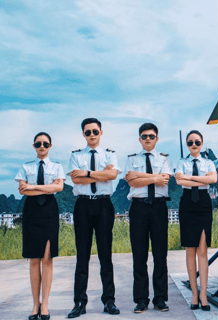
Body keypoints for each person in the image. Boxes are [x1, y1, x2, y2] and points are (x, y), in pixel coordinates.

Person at [67, 118, 121, 318]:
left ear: (101, 132)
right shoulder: (76, 155)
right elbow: (75, 179)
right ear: (83, 134)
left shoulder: (110, 154)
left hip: (104, 204)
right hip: (82, 204)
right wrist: (101, 173)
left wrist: (87, 173)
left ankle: (109, 301)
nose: (92, 135)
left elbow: (112, 175)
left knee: (105, 255)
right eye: (88, 132)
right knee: (82, 255)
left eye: (95, 131)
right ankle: (79, 302)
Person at [15, 132, 65, 320]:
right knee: (34, 259)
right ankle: (35, 304)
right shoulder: (25, 166)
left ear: (50, 146)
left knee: (47, 257)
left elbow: (58, 188)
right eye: (38, 144)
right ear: (34, 146)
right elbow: (22, 188)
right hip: (31, 212)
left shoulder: (57, 166)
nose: (41, 146)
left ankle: (46, 304)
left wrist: (33, 187)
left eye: (45, 143)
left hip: (50, 211)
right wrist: (47, 187)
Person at [124, 123, 172, 313]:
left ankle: (160, 299)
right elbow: (130, 180)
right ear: (139, 139)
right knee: (139, 255)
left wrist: (139, 176)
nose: (148, 139)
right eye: (144, 136)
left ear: (157, 138)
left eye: (151, 136)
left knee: (160, 255)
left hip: (159, 208)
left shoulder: (165, 158)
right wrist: (153, 177)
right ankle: (141, 299)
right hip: (138, 207)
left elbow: (164, 179)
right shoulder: (131, 158)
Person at [175, 130, 217, 311]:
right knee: (189, 249)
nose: (193, 145)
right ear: (187, 144)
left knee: (202, 249)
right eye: (190, 142)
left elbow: (213, 179)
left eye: (197, 142)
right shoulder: (181, 163)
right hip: (186, 204)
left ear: (202, 143)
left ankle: (203, 294)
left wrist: (189, 178)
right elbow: (179, 181)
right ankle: (194, 293)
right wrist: (202, 179)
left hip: (203, 204)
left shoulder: (209, 162)